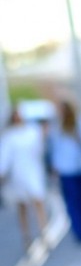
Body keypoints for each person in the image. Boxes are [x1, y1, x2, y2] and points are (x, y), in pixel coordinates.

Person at [48, 100, 81, 243]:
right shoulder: (57, 125)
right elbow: (55, 148)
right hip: (67, 170)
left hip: (80, 167)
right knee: (73, 202)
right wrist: (55, 165)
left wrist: (79, 138)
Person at [0, 106, 48, 251]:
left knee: (38, 201)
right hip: (18, 175)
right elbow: (4, 158)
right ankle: (26, 235)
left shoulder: (33, 132)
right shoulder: (9, 136)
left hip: (33, 171)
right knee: (22, 206)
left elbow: (39, 150)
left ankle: (43, 232)